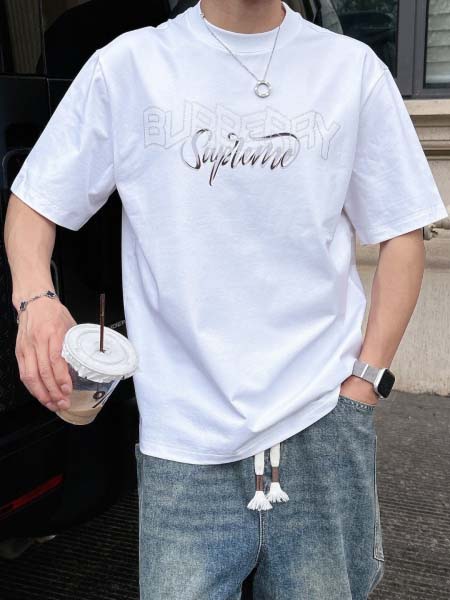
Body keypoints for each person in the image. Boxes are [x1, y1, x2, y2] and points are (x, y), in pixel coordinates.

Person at [4, 1, 448, 598]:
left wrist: (365, 383)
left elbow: (402, 231)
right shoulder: (129, 67)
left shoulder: (351, 69)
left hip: (321, 421)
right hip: (182, 441)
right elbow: (35, 202)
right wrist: (35, 300)